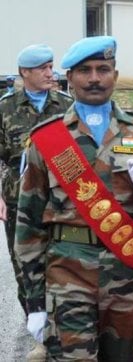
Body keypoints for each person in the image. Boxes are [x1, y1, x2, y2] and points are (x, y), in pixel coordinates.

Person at [15, 36, 133, 360]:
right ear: (69, 78)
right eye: (85, 70)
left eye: (103, 69)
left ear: (115, 76)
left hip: (128, 273)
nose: (94, 78)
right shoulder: (47, 138)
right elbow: (28, 228)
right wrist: (34, 303)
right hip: (68, 274)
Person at [0, 43, 73, 361]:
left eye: (51, 66)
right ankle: (39, 337)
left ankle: (66, 333)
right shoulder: (5, 109)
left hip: (63, 203)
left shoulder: (67, 105)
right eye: (42, 68)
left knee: (65, 266)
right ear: (24, 73)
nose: (49, 73)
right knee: (25, 270)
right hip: (20, 203)